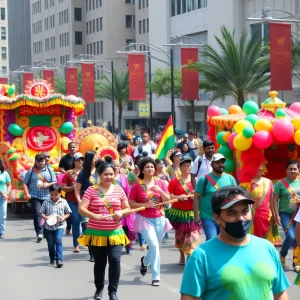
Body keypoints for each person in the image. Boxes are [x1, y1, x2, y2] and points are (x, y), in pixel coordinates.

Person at [180, 186, 290, 300]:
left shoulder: (267, 248)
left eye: (245, 211)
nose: (241, 218)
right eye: (232, 213)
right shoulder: (201, 256)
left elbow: (280, 293)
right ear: (217, 218)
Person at [78, 159, 131, 300]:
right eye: (105, 174)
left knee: (115, 260)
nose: (109, 177)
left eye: (111, 174)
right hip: (97, 234)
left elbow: (127, 208)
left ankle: (112, 292)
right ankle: (99, 288)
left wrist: (122, 213)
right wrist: (93, 215)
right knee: (100, 263)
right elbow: (82, 209)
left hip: (115, 233)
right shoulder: (91, 190)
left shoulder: (119, 190)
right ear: (99, 175)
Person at [129, 157, 171, 287]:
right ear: (142, 170)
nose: (150, 169)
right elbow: (130, 203)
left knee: (155, 247)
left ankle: (145, 261)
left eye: (152, 166)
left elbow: (168, 202)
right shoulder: (137, 185)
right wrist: (145, 205)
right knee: (153, 245)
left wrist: (161, 192)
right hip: (144, 219)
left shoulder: (161, 183)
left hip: (160, 218)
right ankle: (156, 276)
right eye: (147, 167)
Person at [194, 153, 236, 240]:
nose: (221, 165)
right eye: (217, 163)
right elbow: (196, 197)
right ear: (212, 164)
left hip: (225, 217)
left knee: (224, 241)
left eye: (222, 162)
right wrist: (196, 216)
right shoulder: (203, 179)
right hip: (208, 216)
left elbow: (235, 197)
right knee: (211, 239)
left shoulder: (230, 178)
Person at [167, 157, 200, 265]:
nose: (187, 167)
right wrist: (177, 196)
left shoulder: (197, 180)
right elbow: (169, 196)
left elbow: (200, 195)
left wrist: (194, 197)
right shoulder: (174, 181)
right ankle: (181, 254)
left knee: (192, 236)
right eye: (184, 166)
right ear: (180, 168)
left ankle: (190, 255)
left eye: (189, 166)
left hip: (192, 212)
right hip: (179, 213)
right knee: (180, 236)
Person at [241, 164, 282, 246]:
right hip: (251, 215)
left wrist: (275, 214)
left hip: (266, 215)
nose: (258, 170)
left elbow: (271, 199)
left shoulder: (268, 182)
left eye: (260, 169)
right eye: (256, 169)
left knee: (267, 242)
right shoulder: (246, 183)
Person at [272, 160, 300, 272]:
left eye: (295, 169)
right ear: (286, 170)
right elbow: (275, 199)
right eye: (290, 169)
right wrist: (275, 214)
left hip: (298, 214)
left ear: (298, 170)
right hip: (285, 215)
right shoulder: (280, 183)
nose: (293, 171)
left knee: (297, 239)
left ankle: (296, 262)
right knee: (290, 237)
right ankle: (283, 255)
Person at [22, 153, 57, 242]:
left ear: (45, 161)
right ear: (35, 161)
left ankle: (46, 231)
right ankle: (39, 232)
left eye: (42, 161)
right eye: (38, 161)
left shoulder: (49, 170)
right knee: (37, 214)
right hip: (35, 196)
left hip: (47, 196)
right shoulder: (31, 171)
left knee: (47, 214)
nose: (40, 163)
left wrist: (48, 184)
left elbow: (55, 182)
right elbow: (24, 183)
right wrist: (26, 193)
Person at [40, 184, 71, 267]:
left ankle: (59, 259)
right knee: (50, 243)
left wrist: (63, 217)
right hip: (48, 227)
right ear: (49, 193)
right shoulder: (46, 202)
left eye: (56, 194)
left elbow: (68, 213)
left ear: (60, 193)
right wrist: (45, 217)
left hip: (60, 225)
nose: (54, 196)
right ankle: (52, 257)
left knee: (58, 240)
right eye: (52, 194)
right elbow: (41, 212)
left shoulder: (63, 202)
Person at [75, 151, 99, 262]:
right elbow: (77, 190)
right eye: (95, 157)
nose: (97, 158)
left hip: (100, 203)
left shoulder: (100, 171)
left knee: (99, 228)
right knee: (89, 228)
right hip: (87, 204)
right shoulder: (83, 173)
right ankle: (92, 253)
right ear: (90, 159)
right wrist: (80, 202)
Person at [61, 152, 84, 253]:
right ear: (74, 161)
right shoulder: (68, 173)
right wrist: (72, 187)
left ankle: (86, 242)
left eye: (82, 159)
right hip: (72, 201)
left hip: (85, 202)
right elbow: (63, 187)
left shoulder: (87, 173)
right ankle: (76, 244)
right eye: (78, 160)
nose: (80, 161)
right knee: (75, 222)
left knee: (86, 223)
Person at [111, 158, 135, 254]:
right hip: (112, 205)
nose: (116, 167)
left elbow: (128, 190)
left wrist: (129, 203)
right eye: (114, 165)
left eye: (117, 165)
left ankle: (128, 245)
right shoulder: (108, 177)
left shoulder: (123, 177)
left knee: (126, 227)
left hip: (123, 204)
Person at [0, 159, 11, 239]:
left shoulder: (5, 173)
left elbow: (9, 184)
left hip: (3, 197)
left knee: (3, 214)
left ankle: (1, 232)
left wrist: (7, 193)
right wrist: (2, 193)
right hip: (2, 194)